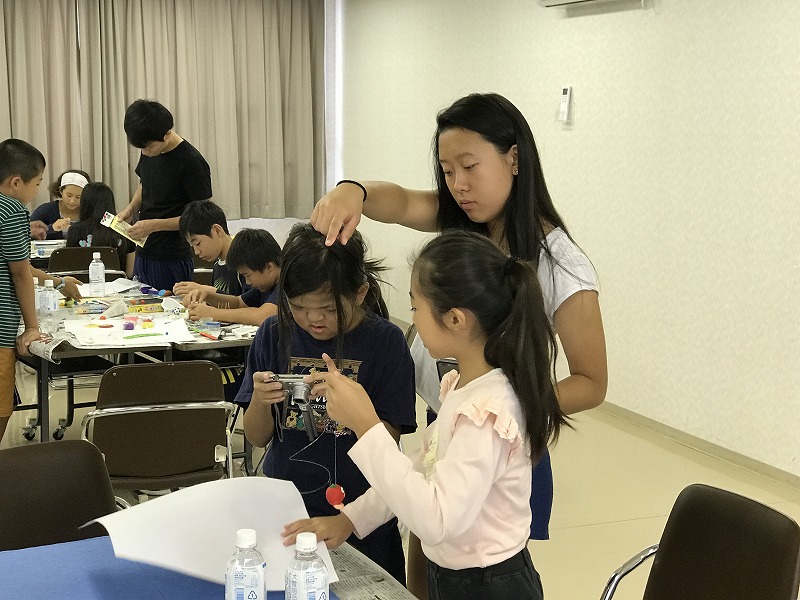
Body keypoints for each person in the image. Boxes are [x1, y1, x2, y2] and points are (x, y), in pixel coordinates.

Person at [310, 92, 607, 593]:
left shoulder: (562, 266)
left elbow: (592, 382)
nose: (458, 186)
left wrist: (502, 406)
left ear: (513, 157)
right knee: (431, 543)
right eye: (447, 171)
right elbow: (401, 201)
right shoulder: (465, 226)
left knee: (475, 544)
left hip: (492, 426)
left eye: (469, 167)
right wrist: (353, 191)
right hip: (454, 408)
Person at [285, 231, 567, 600]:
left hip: (489, 586)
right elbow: (421, 471)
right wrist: (352, 519)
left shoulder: (485, 412)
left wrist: (367, 426)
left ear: (455, 320)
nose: (413, 318)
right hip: (456, 576)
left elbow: (436, 521)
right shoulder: (463, 385)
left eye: (416, 307)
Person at [236, 223, 417, 584]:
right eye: (299, 306)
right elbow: (256, 437)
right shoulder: (275, 333)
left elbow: (389, 447)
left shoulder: (386, 343)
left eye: (328, 309)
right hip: (286, 511)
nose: (313, 319)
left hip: (359, 517)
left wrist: (356, 411)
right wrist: (260, 400)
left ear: (361, 292)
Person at [117, 99, 212, 292]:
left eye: (149, 147)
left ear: (167, 134)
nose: (145, 153)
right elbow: (144, 184)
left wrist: (154, 225)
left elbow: (200, 217)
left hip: (172, 257)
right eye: (141, 149)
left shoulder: (191, 162)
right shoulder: (150, 147)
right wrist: (131, 208)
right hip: (143, 250)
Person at [0, 138, 46, 443]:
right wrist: (32, 326)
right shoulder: (13, 209)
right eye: (38, 182)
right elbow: (19, 272)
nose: (38, 190)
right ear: (17, 182)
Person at [179, 227, 282, 326]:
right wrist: (207, 295)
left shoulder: (286, 283)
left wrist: (214, 314)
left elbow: (264, 316)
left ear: (269, 267)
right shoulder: (265, 285)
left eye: (248, 275)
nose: (247, 282)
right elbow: (237, 302)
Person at [66, 182, 136, 276]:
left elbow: (69, 267)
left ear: (84, 203)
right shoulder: (124, 230)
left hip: (82, 286)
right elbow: (130, 273)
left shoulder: (74, 230)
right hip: (118, 285)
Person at [29, 169, 91, 240]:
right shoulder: (46, 210)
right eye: (69, 195)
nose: (72, 201)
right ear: (61, 191)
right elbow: (26, 234)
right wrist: (52, 228)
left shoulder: (90, 212)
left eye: (78, 197)